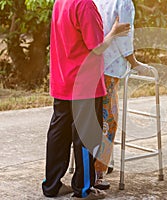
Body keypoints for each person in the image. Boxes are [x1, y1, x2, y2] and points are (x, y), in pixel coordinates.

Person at [42, 0, 130, 199]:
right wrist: (114, 32)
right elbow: (97, 48)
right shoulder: (85, 5)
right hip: (84, 84)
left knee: (59, 133)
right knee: (86, 136)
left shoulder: (61, 2)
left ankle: (52, 185)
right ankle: (84, 189)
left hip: (63, 79)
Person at [93, 0, 148, 190]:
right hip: (110, 66)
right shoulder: (124, 2)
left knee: (94, 116)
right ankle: (97, 172)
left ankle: (95, 165)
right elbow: (124, 37)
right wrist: (134, 63)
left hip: (93, 62)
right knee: (109, 120)